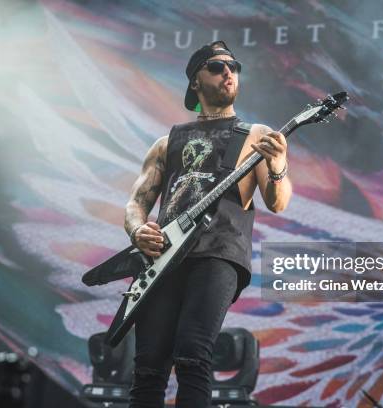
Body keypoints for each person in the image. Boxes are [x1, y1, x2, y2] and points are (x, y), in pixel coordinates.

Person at [123, 40, 292, 408]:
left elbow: (277, 202)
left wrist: (277, 166)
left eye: (233, 66)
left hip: (218, 253)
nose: (228, 72)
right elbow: (137, 202)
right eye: (216, 66)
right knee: (149, 367)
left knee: (192, 354)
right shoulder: (167, 141)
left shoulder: (256, 135)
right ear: (195, 81)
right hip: (164, 259)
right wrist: (138, 231)